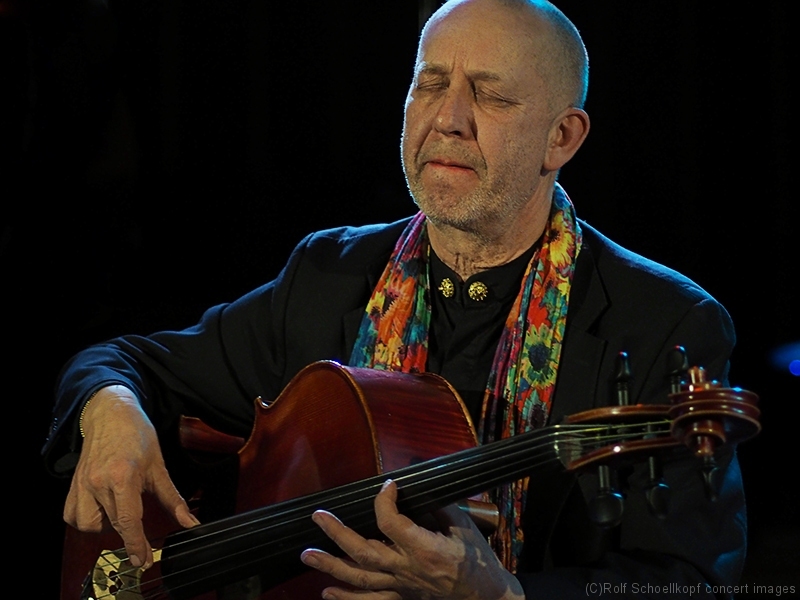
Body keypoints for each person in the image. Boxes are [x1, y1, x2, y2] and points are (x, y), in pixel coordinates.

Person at [44, 0, 746, 598]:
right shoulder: (330, 272)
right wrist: (109, 408)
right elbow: (127, 362)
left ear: (561, 137)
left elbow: (693, 580)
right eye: (430, 84)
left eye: (492, 96)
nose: (449, 118)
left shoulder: (666, 324)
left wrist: (505, 595)